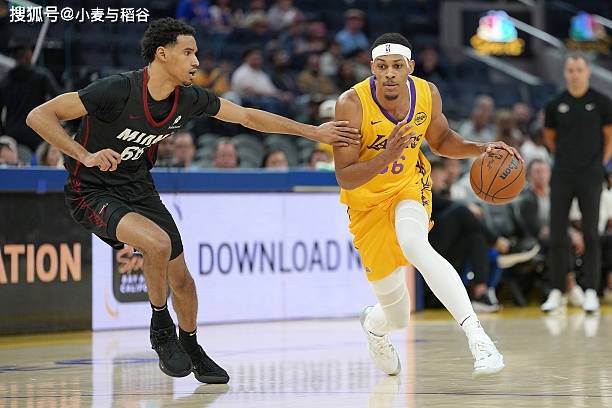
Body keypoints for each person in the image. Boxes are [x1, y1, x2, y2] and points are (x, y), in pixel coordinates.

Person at [26, 18, 359, 385]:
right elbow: (39, 115)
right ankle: (160, 328)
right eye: (188, 52)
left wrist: (312, 131)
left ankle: (192, 345)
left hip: (138, 187)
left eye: (196, 53)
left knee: (182, 280)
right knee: (157, 244)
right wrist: (84, 155)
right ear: (162, 54)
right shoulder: (117, 89)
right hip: (90, 189)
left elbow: (247, 116)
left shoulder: (188, 98)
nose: (196, 61)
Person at [333, 33, 521, 377]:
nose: (390, 73)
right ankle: (374, 327)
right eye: (382, 66)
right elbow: (345, 176)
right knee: (397, 317)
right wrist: (386, 155)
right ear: (372, 68)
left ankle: (478, 338)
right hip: (366, 205)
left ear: (410, 67)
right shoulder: (351, 103)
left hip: (409, 185)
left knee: (414, 244)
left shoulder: (426, 93)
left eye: (397, 66)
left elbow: (442, 140)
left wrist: (480, 148)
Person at [541, 55, 612, 314]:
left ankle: (591, 290)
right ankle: (557, 290)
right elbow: (550, 138)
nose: (574, 74)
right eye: (570, 70)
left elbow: (609, 136)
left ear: (587, 72)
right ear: (565, 73)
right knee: (557, 233)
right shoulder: (555, 104)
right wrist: (566, 159)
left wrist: (599, 164)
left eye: (579, 70)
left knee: (591, 233)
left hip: (591, 174)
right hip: (562, 173)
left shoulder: (602, 102)